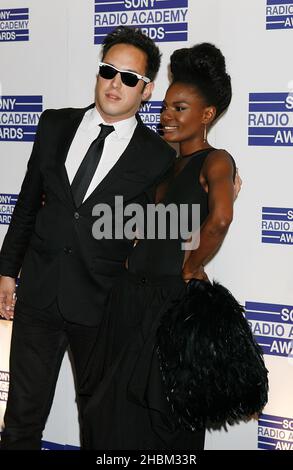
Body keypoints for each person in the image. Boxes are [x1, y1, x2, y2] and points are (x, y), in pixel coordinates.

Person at [0, 26, 177, 450]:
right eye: (108, 71)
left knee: (101, 425)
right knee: (22, 418)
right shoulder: (55, 123)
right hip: (39, 295)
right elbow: (26, 203)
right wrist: (8, 270)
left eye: (130, 78)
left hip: (102, 306)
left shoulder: (157, 155)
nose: (116, 84)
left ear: (146, 90)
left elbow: (162, 229)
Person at [82, 42, 240, 450]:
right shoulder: (162, 163)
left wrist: (192, 266)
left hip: (171, 305)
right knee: (115, 414)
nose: (166, 116)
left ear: (207, 115)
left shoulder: (216, 160)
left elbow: (220, 218)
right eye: (166, 106)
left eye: (180, 108)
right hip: (130, 297)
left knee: (167, 418)